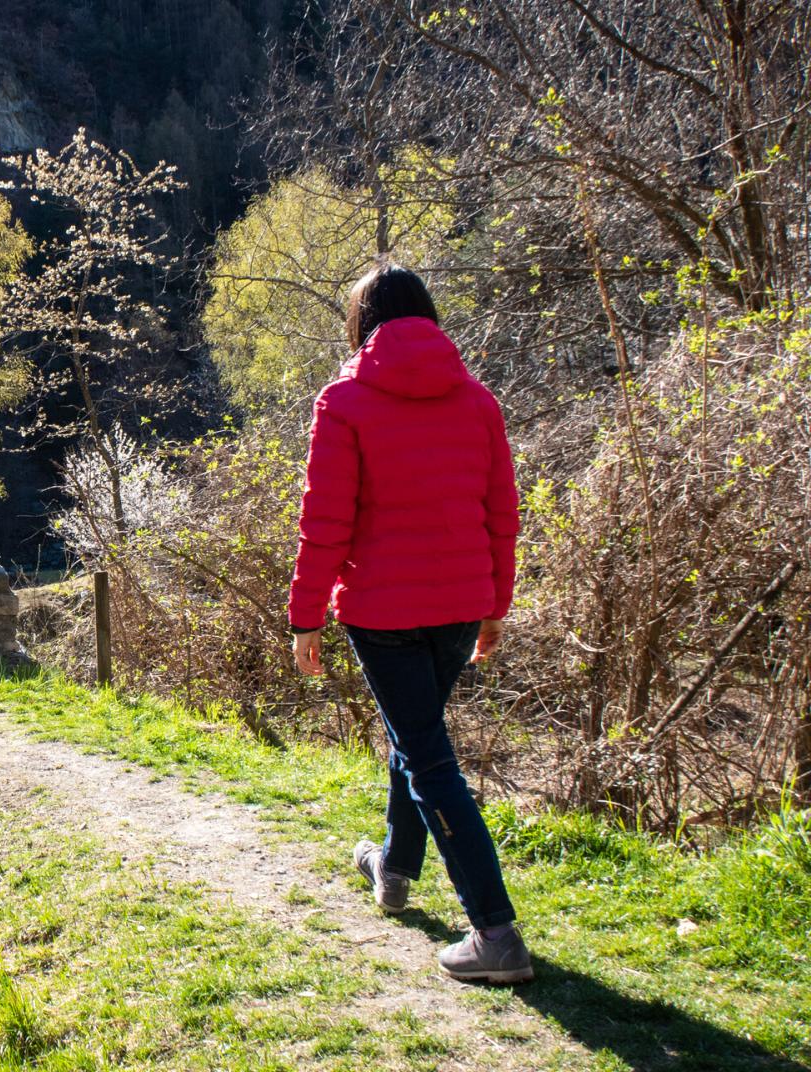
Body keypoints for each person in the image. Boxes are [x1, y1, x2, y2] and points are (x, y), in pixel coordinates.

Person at [287, 262, 532, 984]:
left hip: (384, 612)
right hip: (460, 604)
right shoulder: (478, 401)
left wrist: (305, 617)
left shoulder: (345, 401)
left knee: (427, 757)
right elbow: (501, 518)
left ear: (362, 325)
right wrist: (495, 607)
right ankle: (393, 870)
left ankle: (496, 933)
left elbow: (324, 522)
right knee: (415, 733)